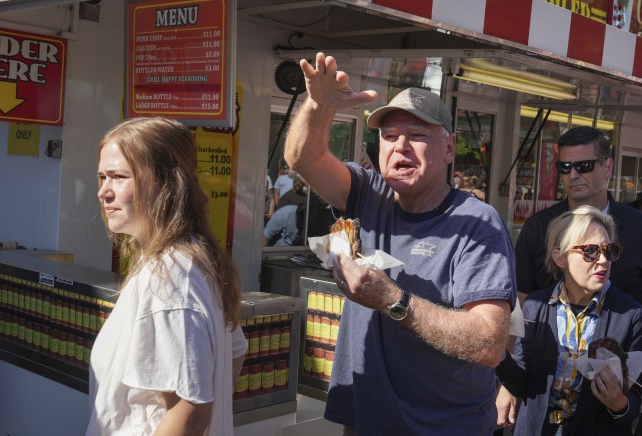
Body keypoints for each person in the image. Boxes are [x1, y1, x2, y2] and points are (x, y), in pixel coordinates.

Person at [284, 52, 516, 434]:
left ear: (450, 148)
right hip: (365, 420)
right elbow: (303, 158)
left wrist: (394, 300)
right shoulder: (368, 194)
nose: (400, 146)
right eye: (389, 137)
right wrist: (318, 105)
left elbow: (489, 343)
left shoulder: (477, 224)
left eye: (418, 135)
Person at [87, 117, 247, 435]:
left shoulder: (170, 278)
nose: (104, 191)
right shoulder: (190, 259)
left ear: (165, 182)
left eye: (119, 177)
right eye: (102, 177)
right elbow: (236, 351)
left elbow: (191, 412)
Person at [500, 126, 642, 430]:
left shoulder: (639, 229)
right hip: (541, 395)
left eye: (584, 166)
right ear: (559, 256)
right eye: (564, 167)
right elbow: (523, 304)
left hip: (611, 394)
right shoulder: (538, 228)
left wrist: (622, 400)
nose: (573, 174)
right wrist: (507, 381)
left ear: (608, 167)